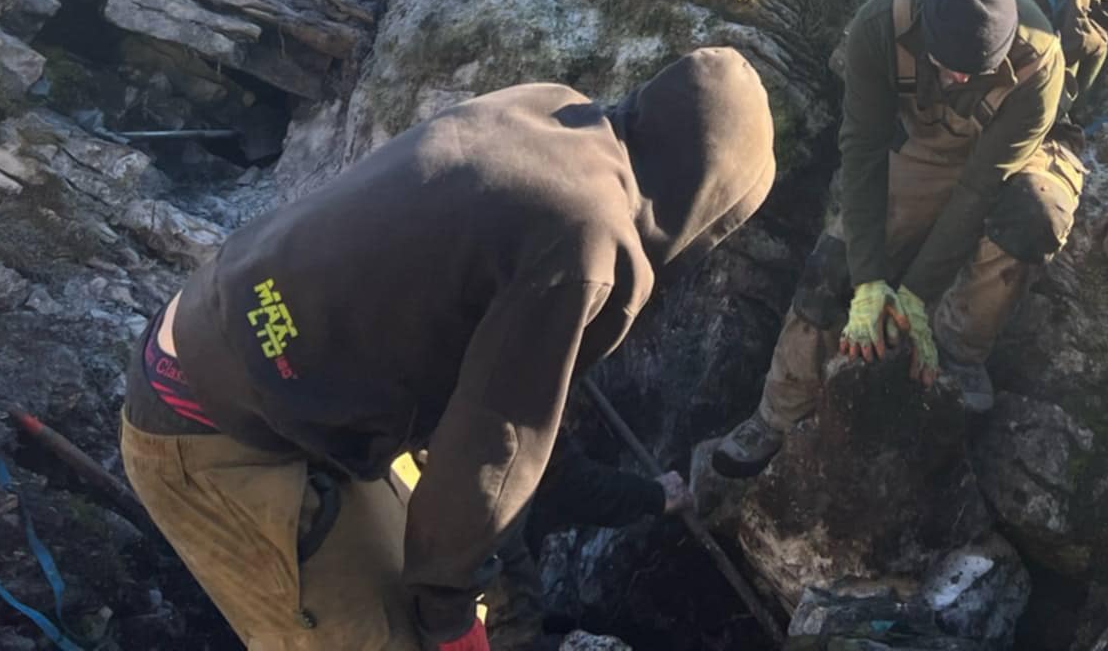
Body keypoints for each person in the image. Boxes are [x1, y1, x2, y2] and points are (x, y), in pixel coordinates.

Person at [119, 47, 776, 651]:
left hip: (236, 338)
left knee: (422, 570)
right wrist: (449, 617)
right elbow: (493, 449)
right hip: (209, 425)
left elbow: (518, 446)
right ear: (707, 200)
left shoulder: (546, 109)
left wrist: (641, 498)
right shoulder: (589, 246)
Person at [713, 0, 1084, 477]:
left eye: (973, 73)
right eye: (949, 68)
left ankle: (959, 351)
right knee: (835, 267)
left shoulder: (1039, 62)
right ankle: (776, 414)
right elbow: (862, 151)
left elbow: (980, 188)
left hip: (1016, 156)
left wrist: (912, 297)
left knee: (1032, 214)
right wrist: (870, 281)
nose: (958, 80)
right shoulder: (879, 27)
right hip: (929, 145)